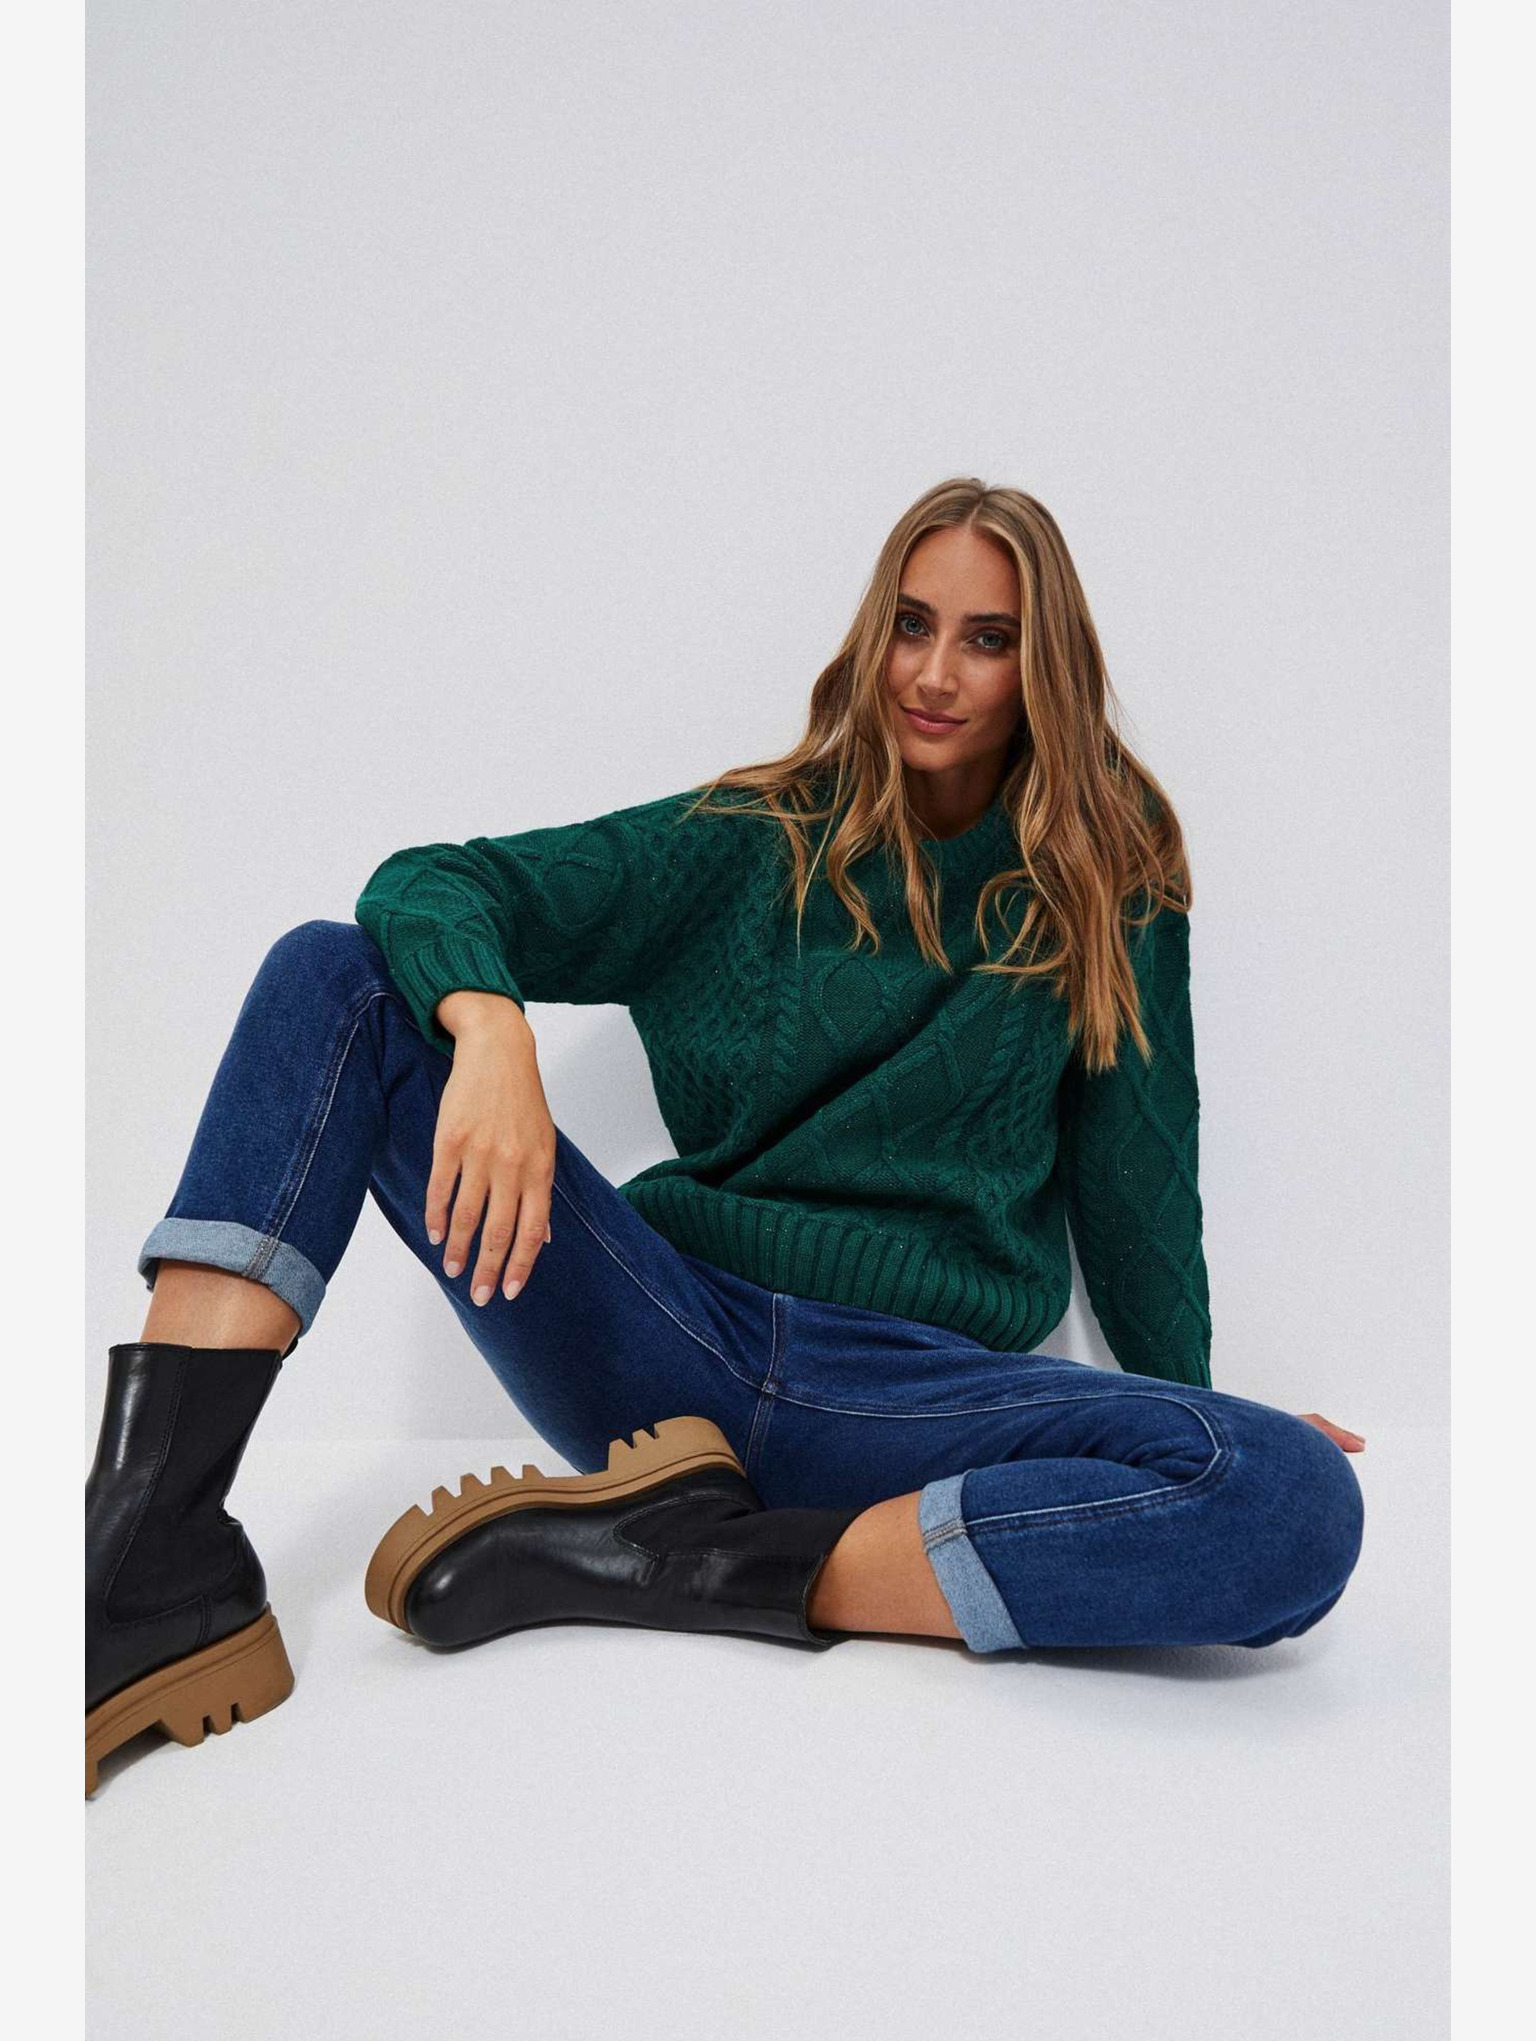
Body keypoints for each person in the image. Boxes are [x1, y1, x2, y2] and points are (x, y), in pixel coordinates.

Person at [85, 476, 1366, 1796]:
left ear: (1043, 668)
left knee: (1291, 1499)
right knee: (331, 976)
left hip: (910, 1399)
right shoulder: (758, 840)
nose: (934, 673)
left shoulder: (1110, 869)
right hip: (666, 1345)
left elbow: (1138, 1172)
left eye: (987, 640)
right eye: (911, 624)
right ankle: (150, 1553)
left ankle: (686, 1561)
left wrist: (1196, 1406)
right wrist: (494, 1028)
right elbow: (435, 883)